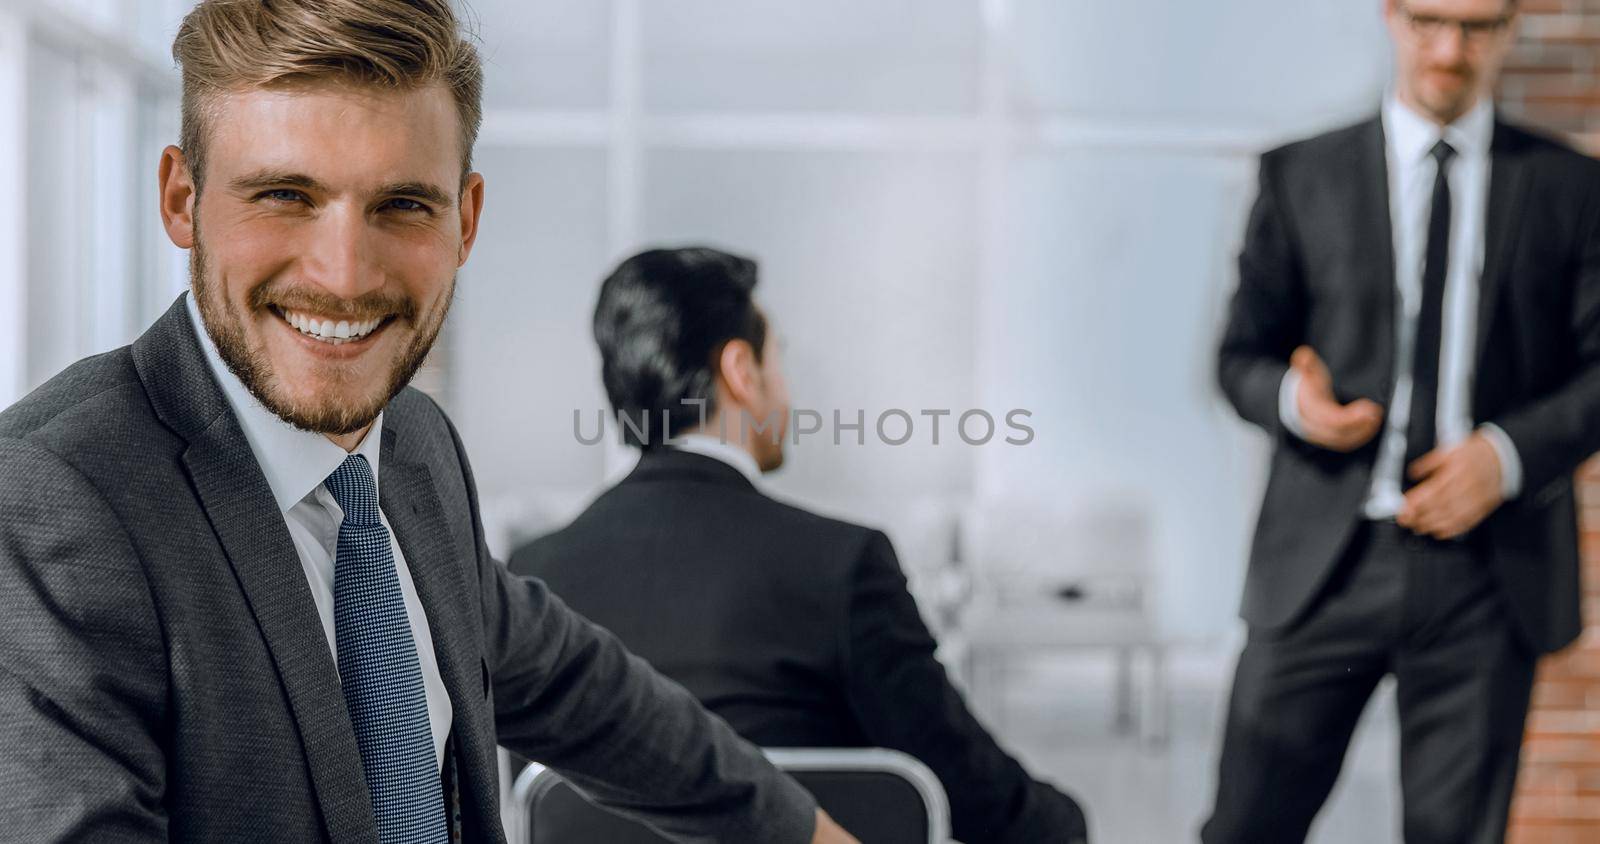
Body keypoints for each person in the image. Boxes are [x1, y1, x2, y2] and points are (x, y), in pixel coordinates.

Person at [0, 3, 859, 842]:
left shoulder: (411, 443)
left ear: (466, 220)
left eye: (402, 205)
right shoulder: (50, 503)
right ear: (182, 199)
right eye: (285, 195)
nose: (343, 276)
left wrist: (805, 830)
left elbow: (575, 686)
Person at [510, 247, 1091, 844]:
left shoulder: (534, 578)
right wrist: (1068, 824)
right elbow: (973, 792)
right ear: (741, 370)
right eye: (777, 357)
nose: (786, 388)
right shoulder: (840, 565)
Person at [1206, 0, 1600, 841]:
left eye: (1478, 26)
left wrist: (1506, 456)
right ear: (1390, 17)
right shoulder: (1297, 175)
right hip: (1322, 563)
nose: (1450, 49)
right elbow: (1239, 359)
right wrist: (1293, 403)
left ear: (1512, 30)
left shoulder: (1574, 189)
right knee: (1244, 828)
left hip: (1488, 575)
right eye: (1428, 20)